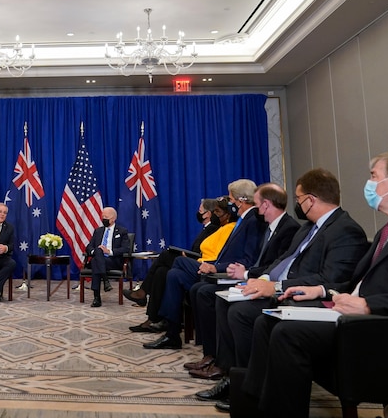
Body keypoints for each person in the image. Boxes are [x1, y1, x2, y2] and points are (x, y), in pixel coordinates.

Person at [243, 151, 388, 418]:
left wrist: (369, 305)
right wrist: (322, 291)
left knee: (288, 334)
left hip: (381, 330)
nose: (369, 184)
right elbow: (357, 283)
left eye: (374, 176)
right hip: (352, 316)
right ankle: (256, 406)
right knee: (268, 321)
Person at [196, 168, 368, 411]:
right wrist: (262, 279)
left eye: (298, 199)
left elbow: (331, 279)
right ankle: (234, 378)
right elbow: (284, 260)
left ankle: (248, 389)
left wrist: (275, 286)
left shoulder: (345, 231)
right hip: (281, 289)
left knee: (242, 313)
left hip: (301, 298)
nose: (296, 205)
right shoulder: (308, 227)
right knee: (226, 301)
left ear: (311, 199)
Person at [185, 183, 301, 379]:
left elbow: (279, 266)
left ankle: (234, 372)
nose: (254, 210)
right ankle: (221, 363)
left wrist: (248, 275)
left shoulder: (289, 228)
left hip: (273, 288)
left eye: (256, 205)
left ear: (265, 205)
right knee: (211, 294)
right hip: (257, 278)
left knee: (217, 298)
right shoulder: (272, 227)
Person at [144, 179, 263, 350]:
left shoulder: (252, 221)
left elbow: (248, 259)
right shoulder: (243, 221)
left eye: (230, 199)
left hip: (224, 273)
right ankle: (172, 333)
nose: (229, 203)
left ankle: (162, 320)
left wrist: (215, 267)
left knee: (176, 261)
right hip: (214, 266)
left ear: (241, 199)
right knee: (173, 274)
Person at [126, 197, 223, 331]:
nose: (198, 212)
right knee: (161, 272)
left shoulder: (213, 229)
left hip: (199, 267)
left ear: (208, 213)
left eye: (200, 210)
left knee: (166, 255)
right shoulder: (206, 228)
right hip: (193, 262)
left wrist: (187, 256)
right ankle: (153, 319)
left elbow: (208, 254)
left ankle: (142, 292)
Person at [84, 207, 130, 307]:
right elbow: (89, 247)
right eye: (102, 217)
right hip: (99, 259)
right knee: (98, 253)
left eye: (106, 217)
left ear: (113, 218)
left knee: (96, 261)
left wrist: (109, 251)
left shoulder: (122, 231)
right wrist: (96, 251)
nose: (103, 219)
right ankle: (105, 280)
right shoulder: (98, 231)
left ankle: (97, 297)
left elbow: (126, 249)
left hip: (112, 260)